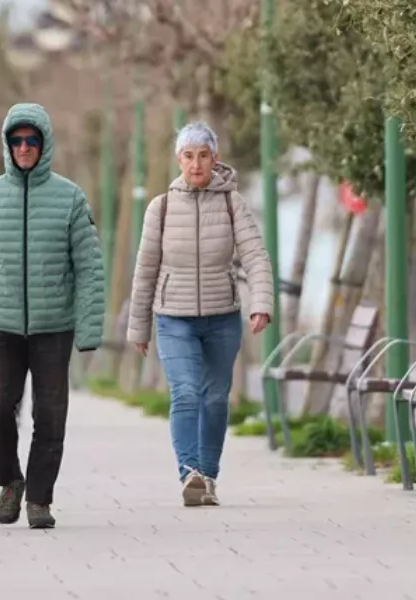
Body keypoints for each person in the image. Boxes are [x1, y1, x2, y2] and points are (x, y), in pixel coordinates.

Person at [0, 102, 106, 530]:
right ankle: (9, 479)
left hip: (54, 327)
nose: (23, 147)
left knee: (50, 416)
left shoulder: (70, 197)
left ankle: (39, 498)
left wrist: (90, 329)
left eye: (31, 140)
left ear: (44, 144)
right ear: (7, 144)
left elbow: (89, 266)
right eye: (16, 140)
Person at [126, 122, 274, 508]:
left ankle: (208, 476)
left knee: (215, 399)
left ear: (215, 159)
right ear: (179, 160)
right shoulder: (160, 209)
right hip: (173, 318)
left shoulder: (232, 203)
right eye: (189, 156)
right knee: (187, 391)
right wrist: (139, 325)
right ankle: (189, 471)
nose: (196, 164)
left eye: (203, 156)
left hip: (222, 317)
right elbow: (145, 269)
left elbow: (256, 255)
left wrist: (261, 302)